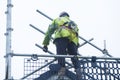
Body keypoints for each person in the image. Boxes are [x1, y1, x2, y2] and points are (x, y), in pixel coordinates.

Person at [42, 11, 81, 79]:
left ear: (61, 15)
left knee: (61, 54)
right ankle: (78, 71)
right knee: (74, 56)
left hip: (61, 36)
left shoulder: (58, 19)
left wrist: (45, 44)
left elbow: (49, 32)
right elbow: (77, 35)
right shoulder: (73, 23)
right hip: (73, 40)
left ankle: (62, 71)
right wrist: (76, 46)